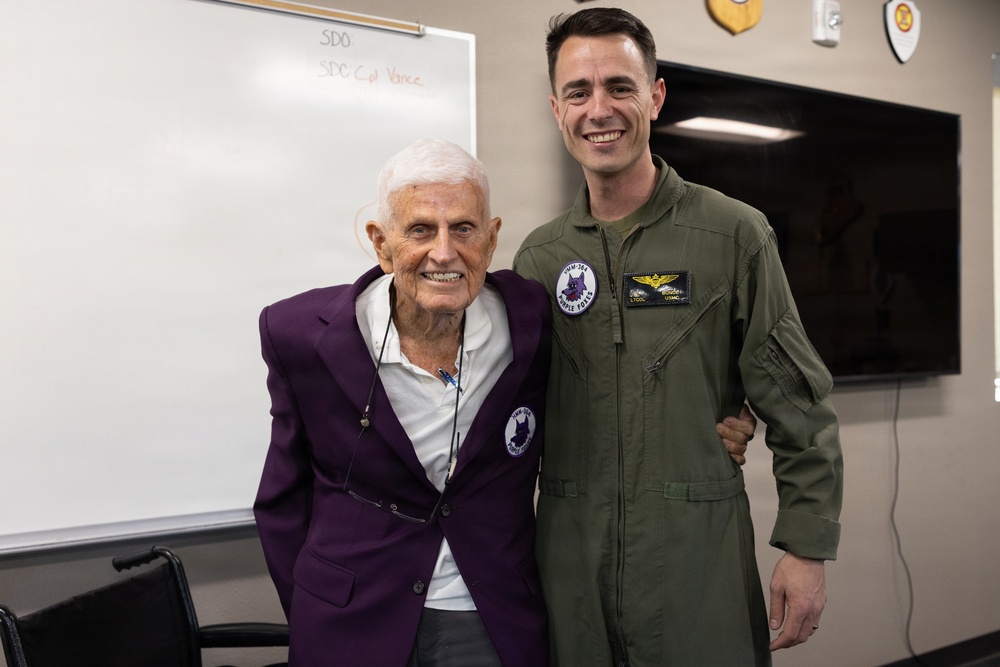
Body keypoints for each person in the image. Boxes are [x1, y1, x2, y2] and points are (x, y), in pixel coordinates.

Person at [512, 8, 844, 667]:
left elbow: (800, 404)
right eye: (578, 91)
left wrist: (806, 549)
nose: (598, 108)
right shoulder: (537, 260)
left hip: (696, 562)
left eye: (619, 87)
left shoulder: (733, 236)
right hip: (571, 567)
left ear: (656, 96)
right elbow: (514, 416)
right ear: (557, 109)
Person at [253, 139, 552, 666]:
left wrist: (723, 417)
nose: (444, 252)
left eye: (463, 228)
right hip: (352, 619)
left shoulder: (530, 320)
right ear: (381, 243)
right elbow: (282, 499)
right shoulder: (300, 335)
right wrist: (311, 608)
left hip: (487, 613)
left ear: (491, 238)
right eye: (420, 230)